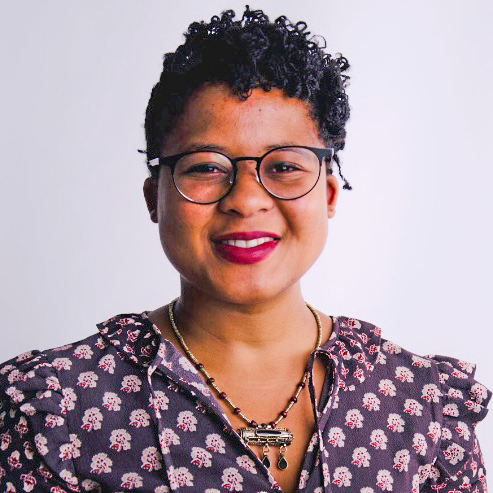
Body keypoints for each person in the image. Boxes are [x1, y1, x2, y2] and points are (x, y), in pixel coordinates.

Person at [0, 6, 490, 493]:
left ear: (329, 195)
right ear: (155, 198)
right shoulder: (52, 409)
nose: (247, 200)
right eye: (206, 167)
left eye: (284, 167)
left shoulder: (421, 407)